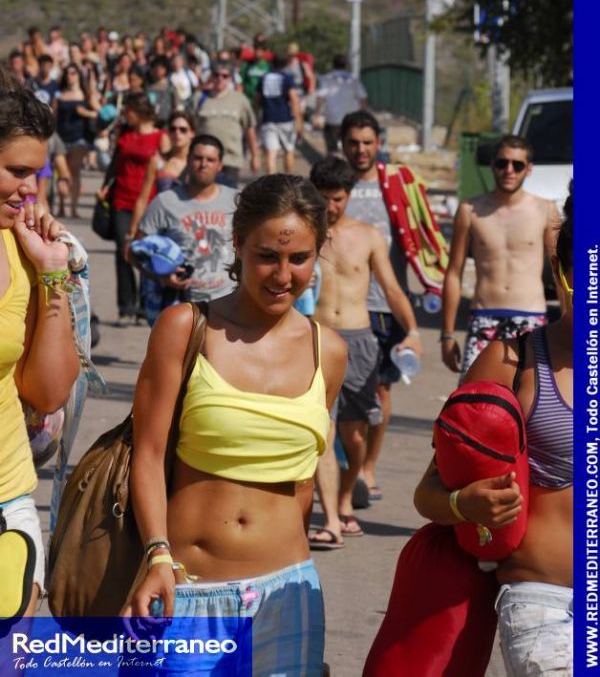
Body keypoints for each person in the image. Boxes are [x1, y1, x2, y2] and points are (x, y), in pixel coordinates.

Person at [124, 174, 347, 676]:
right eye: (267, 255)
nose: (282, 275)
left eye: (299, 258)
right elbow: (149, 455)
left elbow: (303, 481)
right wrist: (157, 557)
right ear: (239, 245)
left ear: (319, 253)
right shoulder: (186, 328)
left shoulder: (328, 352)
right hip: (186, 589)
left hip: (288, 595)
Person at [414, 182, 573, 675]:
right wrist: (467, 504)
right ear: (559, 272)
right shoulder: (514, 361)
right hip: (545, 605)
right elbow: (428, 493)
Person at [308, 157, 421, 546]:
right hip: (316, 336)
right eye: (322, 198)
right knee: (319, 429)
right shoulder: (303, 233)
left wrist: (414, 331)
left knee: (354, 434)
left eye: (337, 199)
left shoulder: (369, 235)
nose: (330, 207)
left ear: (349, 196)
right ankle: (331, 521)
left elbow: (391, 289)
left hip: (358, 341)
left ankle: (344, 500)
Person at [0, 69, 79, 615]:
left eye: (37, 173)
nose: (30, 189)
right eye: (16, 172)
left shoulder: (25, 255)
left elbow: (48, 392)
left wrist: (52, 275)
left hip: (8, 502)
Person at [441, 134, 560, 380]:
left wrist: (574, 327)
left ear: (529, 169)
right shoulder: (469, 211)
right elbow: (454, 273)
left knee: (530, 405)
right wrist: (447, 333)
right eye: (502, 163)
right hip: (483, 319)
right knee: (473, 407)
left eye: (517, 165)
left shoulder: (546, 210)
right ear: (492, 165)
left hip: (531, 322)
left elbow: (562, 275)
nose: (509, 170)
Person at [340, 111, 412, 502]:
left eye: (368, 142)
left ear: (378, 143)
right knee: (334, 392)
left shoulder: (395, 186)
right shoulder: (333, 186)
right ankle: (344, 463)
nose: (361, 149)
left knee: (380, 390)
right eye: (354, 142)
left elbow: (419, 236)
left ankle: (368, 466)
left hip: (385, 305)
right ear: (343, 143)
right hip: (339, 308)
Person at [132, 134, 236, 320]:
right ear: (188, 161)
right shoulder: (165, 202)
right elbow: (134, 251)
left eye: (210, 160)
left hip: (229, 303)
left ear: (220, 165)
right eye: (198, 158)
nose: (203, 164)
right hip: (183, 306)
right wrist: (162, 276)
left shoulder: (236, 201)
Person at [98, 92, 164, 325]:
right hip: (122, 199)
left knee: (148, 254)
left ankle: (148, 304)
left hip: (150, 201)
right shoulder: (125, 134)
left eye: (128, 111)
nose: (125, 115)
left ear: (140, 111)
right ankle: (127, 305)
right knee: (123, 251)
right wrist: (105, 187)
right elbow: (116, 163)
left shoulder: (160, 136)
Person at [128, 109, 195, 238]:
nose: (177, 133)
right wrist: (132, 232)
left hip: (188, 227)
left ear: (192, 133)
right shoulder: (158, 161)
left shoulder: (199, 164)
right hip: (161, 225)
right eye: (173, 129)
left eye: (183, 130)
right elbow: (143, 198)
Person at [196, 61, 259, 187]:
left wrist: (255, 156)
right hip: (204, 160)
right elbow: (191, 129)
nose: (220, 79)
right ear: (211, 76)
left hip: (231, 159)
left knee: (228, 200)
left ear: (230, 78)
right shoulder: (199, 98)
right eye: (216, 75)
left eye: (224, 76)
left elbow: (249, 129)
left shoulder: (240, 100)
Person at [53, 63, 98, 218]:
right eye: (67, 73)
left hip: (79, 139)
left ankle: (73, 207)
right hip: (60, 138)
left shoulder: (86, 96)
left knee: (75, 172)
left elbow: (99, 114)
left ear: (79, 75)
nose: (70, 76)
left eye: (73, 73)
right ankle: (61, 206)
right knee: (62, 173)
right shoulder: (59, 95)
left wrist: (85, 112)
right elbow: (53, 115)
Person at [255, 52, 303, 174]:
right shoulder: (287, 78)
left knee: (271, 152)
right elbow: (294, 99)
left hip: (268, 118)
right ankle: (288, 180)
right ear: (286, 63)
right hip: (285, 119)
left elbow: (257, 99)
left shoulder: (264, 78)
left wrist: (256, 117)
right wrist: (299, 121)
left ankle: (271, 183)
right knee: (289, 149)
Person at [316, 55, 367, 154]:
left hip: (332, 119)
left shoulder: (327, 78)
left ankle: (334, 165)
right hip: (351, 119)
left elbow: (320, 97)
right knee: (350, 145)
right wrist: (363, 115)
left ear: (333, 65)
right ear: (346, 65)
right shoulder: (353, 79)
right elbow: (363, 98)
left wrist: (316, 113)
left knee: (332, 149)